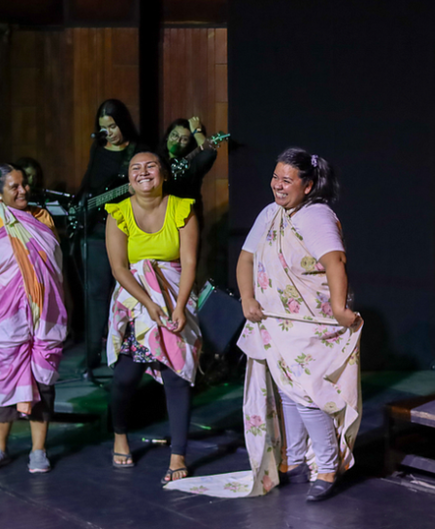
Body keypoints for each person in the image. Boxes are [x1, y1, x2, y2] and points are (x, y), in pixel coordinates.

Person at [171, 148, 363, 501]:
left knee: (308, 396)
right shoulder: (270, 214)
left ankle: (326, 465)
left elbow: (335, 262)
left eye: (286, 180)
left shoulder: (316, 216)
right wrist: (247, 298)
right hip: (276, 322)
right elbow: (246, 259)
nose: (277, 185)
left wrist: (338, 308)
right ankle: (293, 460)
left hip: (309, 323)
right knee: (288, 393)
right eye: (275, 177)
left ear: (307, 186)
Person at [103, 151, 202, 485]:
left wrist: (179, 307)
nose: (143, 172)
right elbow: (118, 267)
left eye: (151, 166)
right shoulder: (118, 213)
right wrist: (148, 303)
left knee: (177, 375)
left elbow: (188, 264)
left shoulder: (182, 209)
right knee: (125, 378)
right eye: (136, 168)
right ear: (128, 178)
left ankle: (178, 455)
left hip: (176, 297)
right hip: (136, 301)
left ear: (163, 173)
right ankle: (119, 434)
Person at [0, 164, 67, 473]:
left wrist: (66, 309)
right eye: (14, 186)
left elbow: (56, 271)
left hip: (46, 313)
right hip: (3, 316)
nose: (23, 190)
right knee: (3, 378)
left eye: (24, 184)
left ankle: (39, 449)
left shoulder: (42, 217)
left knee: (43, 378)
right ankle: (0, 448)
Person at [78, 99, 146, 372]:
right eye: (104, 128)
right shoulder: (98, 150)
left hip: (128, 230)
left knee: (128, 290)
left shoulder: (137, 151)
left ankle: (129, 352)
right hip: (96, 231)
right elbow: (91, 186)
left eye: (113, 126)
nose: (109, 133)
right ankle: (93, 350)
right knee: (95, 293)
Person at [161, 117, 217, 220]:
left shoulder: (192, 163)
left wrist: (196, 131)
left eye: (184, 139)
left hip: (184, 218)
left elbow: (209, 151)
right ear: (167, 136)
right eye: (174, 135)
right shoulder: (156, 158)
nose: (177, 141)